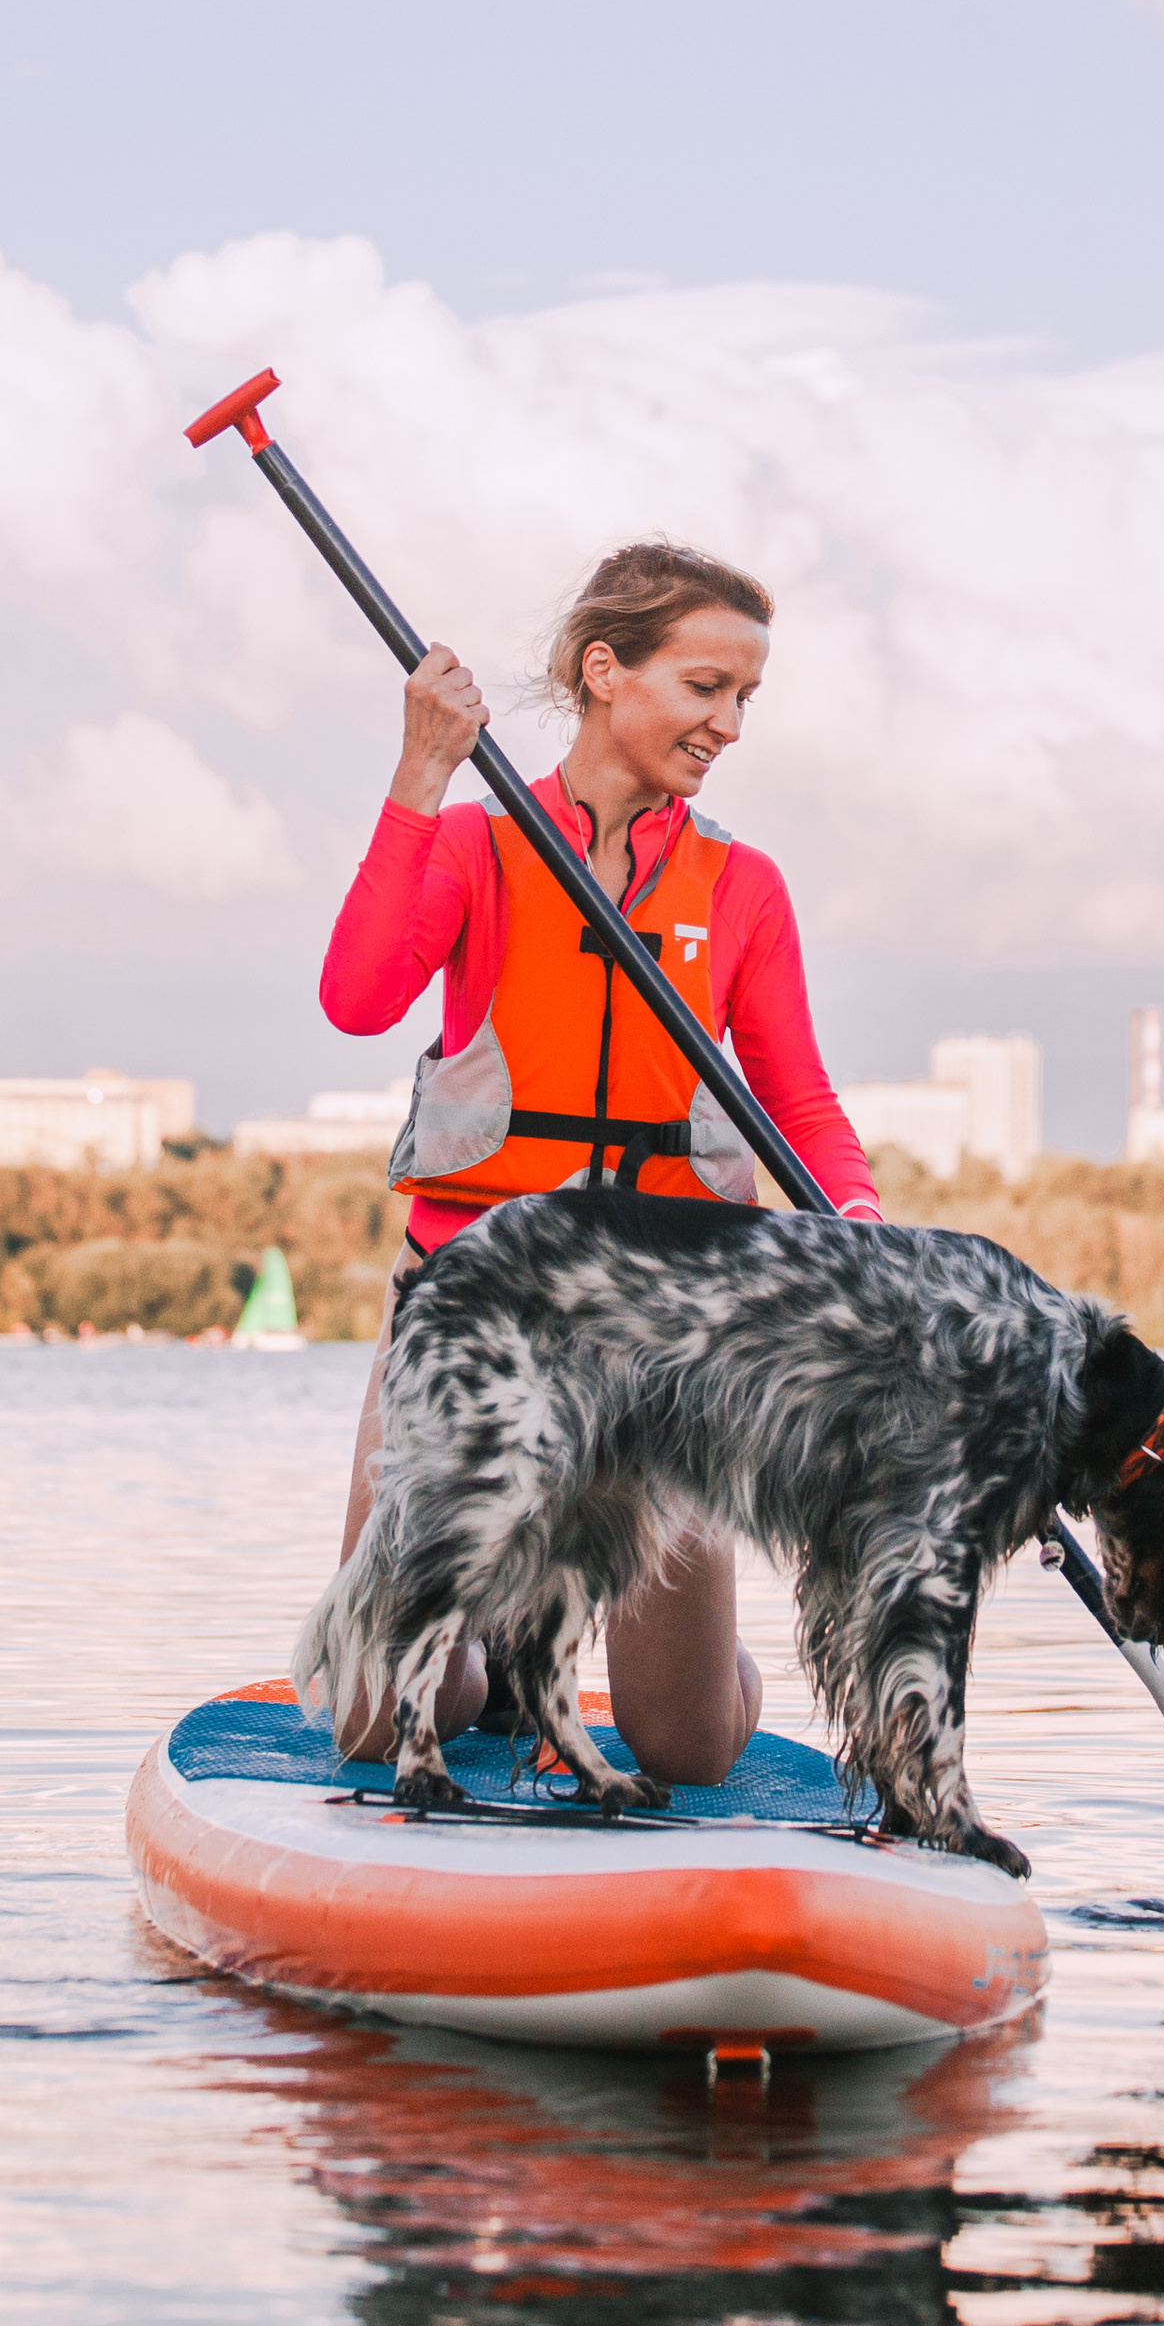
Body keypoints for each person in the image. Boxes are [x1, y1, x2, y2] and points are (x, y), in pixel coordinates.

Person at [320, 538, 883, 1780]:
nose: (730, 723)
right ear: (603, 672)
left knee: (683, 1748)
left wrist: (854, 1215)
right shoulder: (477, 846)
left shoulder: (741, 886)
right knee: (372, 1715)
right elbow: (358, 1000)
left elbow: (796, 1096)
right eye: (705, 688)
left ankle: (633, 1648)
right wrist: (421, 774)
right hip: (473, 1310)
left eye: (747, 697)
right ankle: (498, 1649)